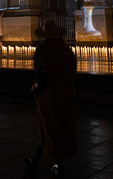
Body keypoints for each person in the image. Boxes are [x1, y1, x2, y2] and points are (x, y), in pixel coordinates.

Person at [25, 21, 77, 177]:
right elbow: (73, 69)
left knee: (47, 127)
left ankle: (50, 163)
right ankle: (40, 160)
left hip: (47, 95)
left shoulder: (42, 50)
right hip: (66, 93)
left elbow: (37, 68)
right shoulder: (67, 50)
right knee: (62, 127)